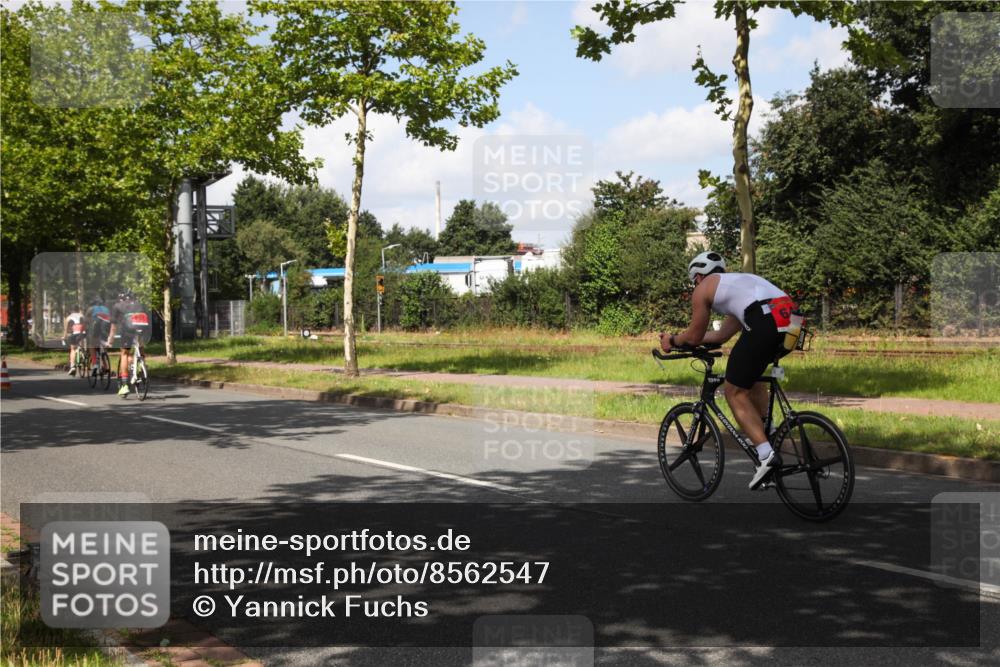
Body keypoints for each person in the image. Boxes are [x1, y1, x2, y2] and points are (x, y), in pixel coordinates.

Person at [660, 251, 797, 489]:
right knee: (750, 373)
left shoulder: (703, 289)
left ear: (698, 276)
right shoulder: (738, 285)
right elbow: (721, 336)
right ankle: (768, 428)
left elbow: (693, 336)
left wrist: (672, 341)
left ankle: (766, 455)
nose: (696, 286)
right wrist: (693, 340)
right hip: (792, 318)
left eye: (694, 281)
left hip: (764, 319)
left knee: (733, 391)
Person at [106, 290, 150, 397]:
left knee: (124, 353)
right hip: (142, 328)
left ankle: (125, 385)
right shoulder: (140, 304)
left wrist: (110, 340)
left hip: (128, 330)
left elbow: (113, 326)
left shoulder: (117, 306)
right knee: (140, 345)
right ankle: (142, 364)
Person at [85, 295, 112, 375]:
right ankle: (106, 365)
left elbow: (86, 320)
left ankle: (95, 364)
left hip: (96, 324)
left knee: (92, 345)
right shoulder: (106, 309)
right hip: (107, 325)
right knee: (103, 342)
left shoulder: (91, 308)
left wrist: (86, 327)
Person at [62, 309, 86, 376]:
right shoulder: (82, 315)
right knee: (81, 343)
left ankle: (72, 367)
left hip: (74, 334)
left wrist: (64, 337)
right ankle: (82, 352)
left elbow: (66, 329)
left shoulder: (68, 317)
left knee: (73, 349)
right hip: (83, 333)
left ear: (71, 312)